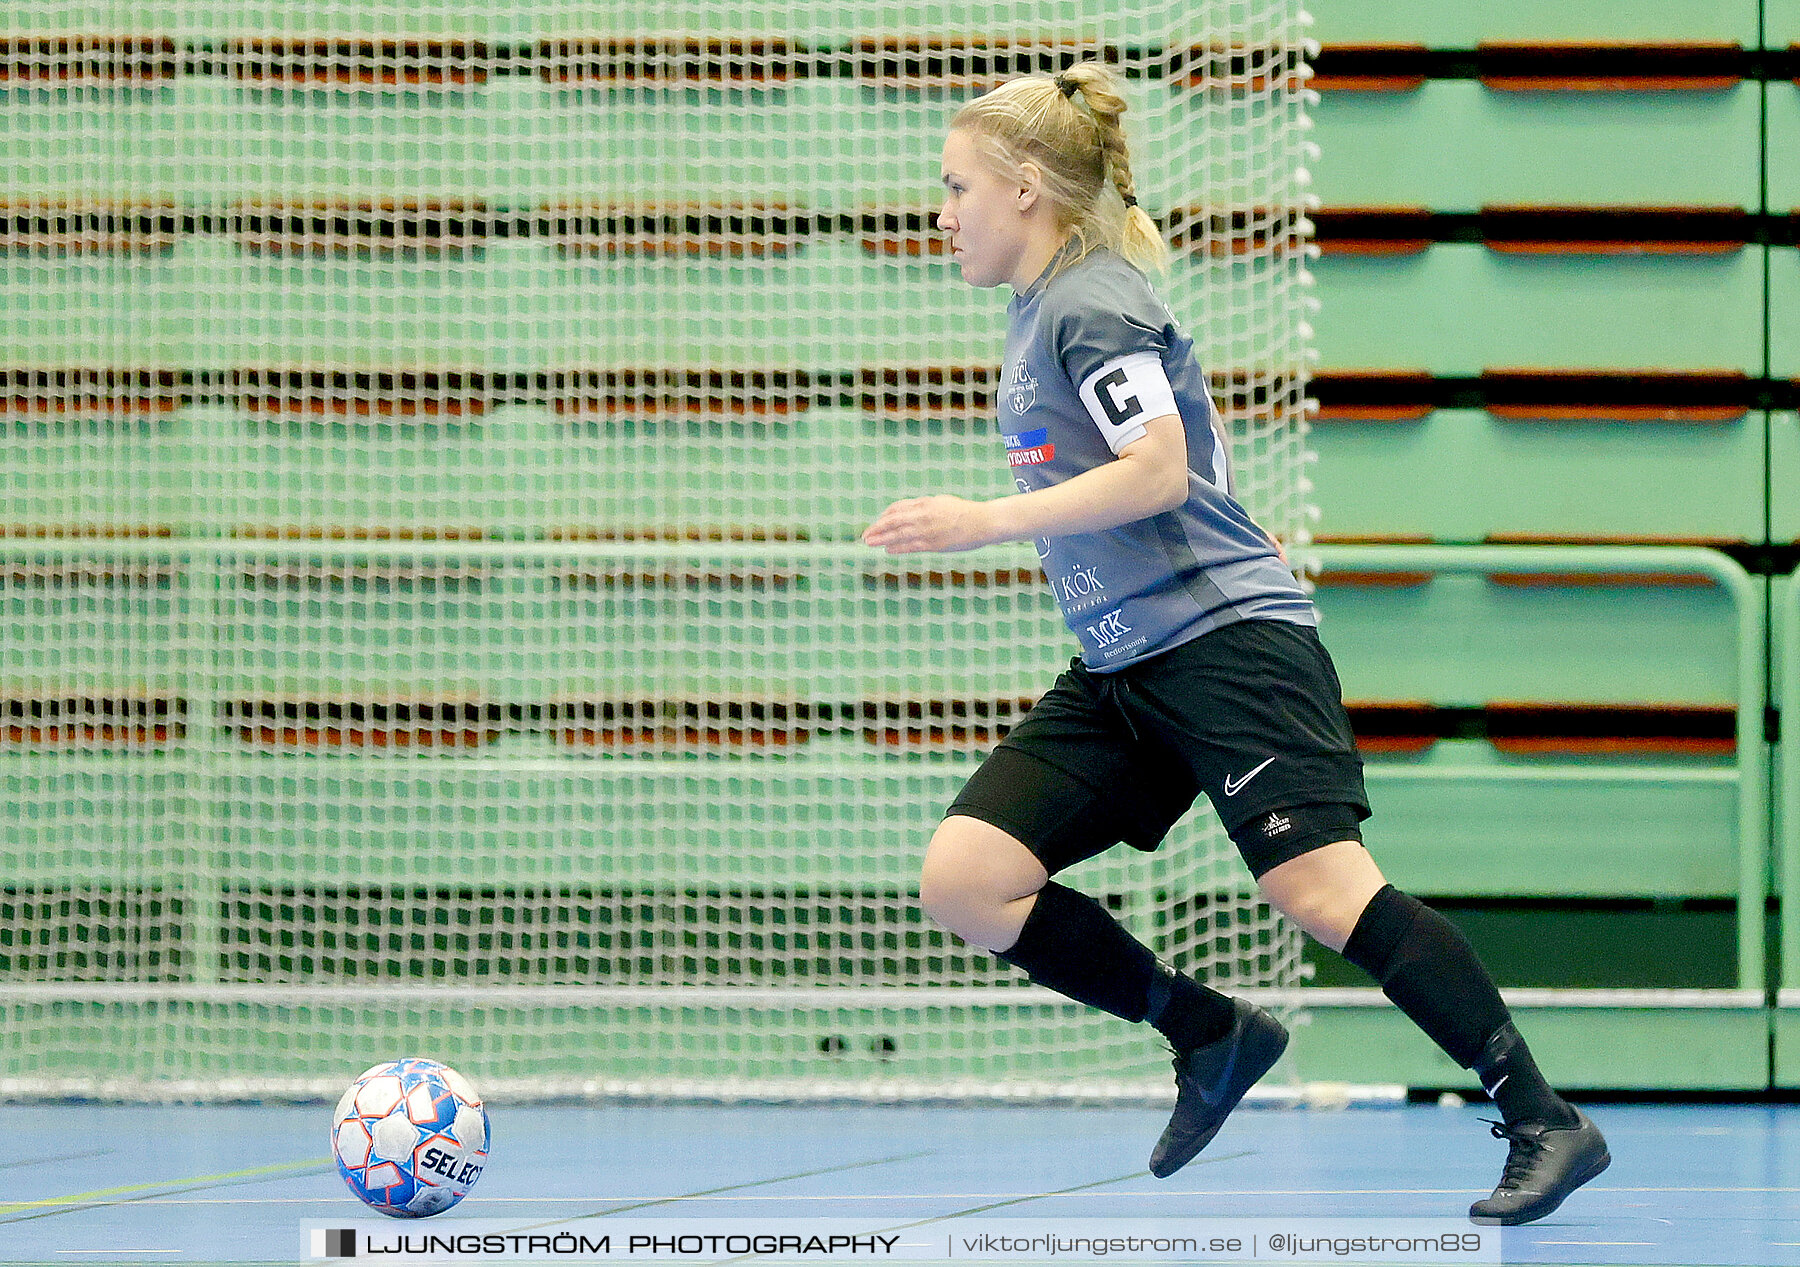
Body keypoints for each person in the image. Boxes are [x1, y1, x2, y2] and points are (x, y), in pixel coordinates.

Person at [859, 62, 1610, 1226]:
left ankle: (1542, 1114)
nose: (941, 211)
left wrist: (984, 520)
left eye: (955, 186)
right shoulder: (1039, 306)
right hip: (1123, 666)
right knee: (968, 877)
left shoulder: (1092, 300)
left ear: (1022, 189)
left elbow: (1156, 468)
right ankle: (1206, 1030)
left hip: (1225, 644)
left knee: (1318, 888)